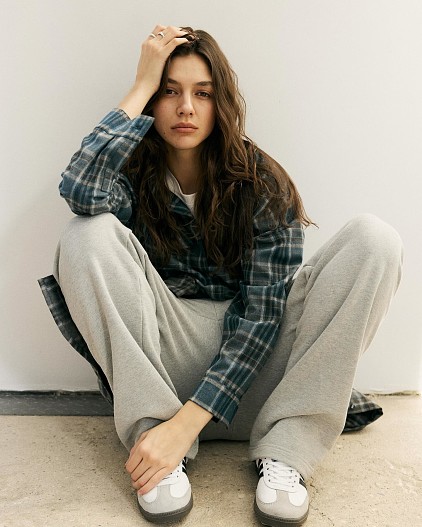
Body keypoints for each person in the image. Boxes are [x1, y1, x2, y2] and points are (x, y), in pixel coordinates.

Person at [38, 25, 403, 526]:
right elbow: (80, 189)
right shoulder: (130, 176)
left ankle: (287, 450)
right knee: (87, 233)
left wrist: (187, 424)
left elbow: (263, 318)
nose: (186, 108)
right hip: (168, 374)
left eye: (203, 94)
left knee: (375, 238)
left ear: (222, 103)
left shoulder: (262, 181)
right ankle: (154, 444)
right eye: (170, 91)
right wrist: (141, 84)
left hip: (264, 377)